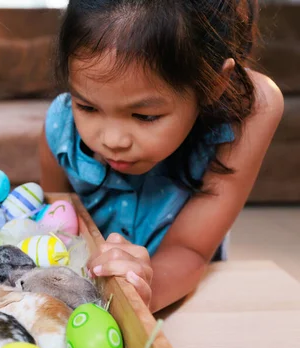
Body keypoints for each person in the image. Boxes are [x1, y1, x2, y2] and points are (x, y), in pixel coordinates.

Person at [39, 0, 284, 312]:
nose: (112, 141)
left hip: (182, 299)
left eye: (144, 116)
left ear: (214, 84)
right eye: (87, 106)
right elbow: (56, 224)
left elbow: (190, 250)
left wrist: (143, 291)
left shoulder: (249, 110)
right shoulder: (61, 124)